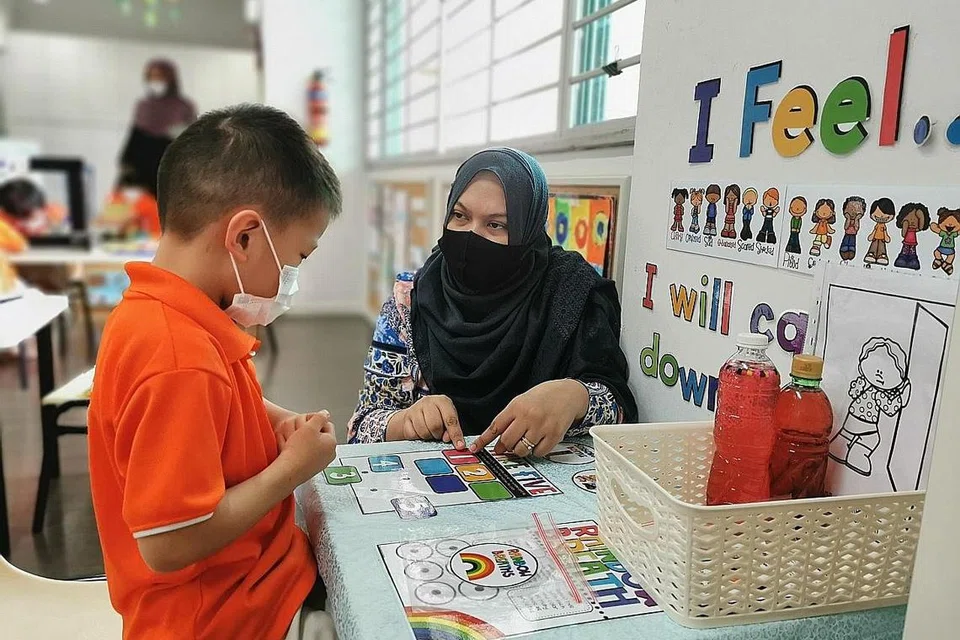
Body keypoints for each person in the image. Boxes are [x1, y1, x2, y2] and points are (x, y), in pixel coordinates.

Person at [87, 104, 342, 640]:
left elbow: (225, 401)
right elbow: (170, 544)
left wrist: (279, 420)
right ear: (244, 237)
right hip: (226, 618)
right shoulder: (177, 353)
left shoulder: (173, 315)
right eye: (297, 257)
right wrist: (293, 469)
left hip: (258, 583)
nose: (292, 279)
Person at [348, 147, 637, 457]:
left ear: (528, 229)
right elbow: (362, 426)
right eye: (460, 216)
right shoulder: (408, 300)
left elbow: (617, 410)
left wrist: (573, 397)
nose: (472, 235)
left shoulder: (571, 292)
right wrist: (405, 422)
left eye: (496, 225)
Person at [119, 59, 196, 196]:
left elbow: (193, 142)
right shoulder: (143, 106)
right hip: (142, 175)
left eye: (159, 77)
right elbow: (134, 138)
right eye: (151, 78)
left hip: (172, 173)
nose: (155, 82)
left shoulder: (184, 107)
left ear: (170, 79)